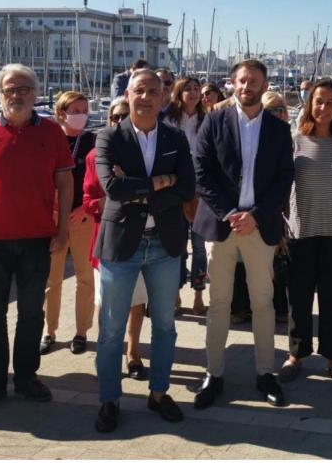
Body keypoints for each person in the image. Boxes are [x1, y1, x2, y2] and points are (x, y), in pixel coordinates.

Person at [0, 63, 74, 412]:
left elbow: (65, 183)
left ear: (35, 94)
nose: (17, 95)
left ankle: (25, 377)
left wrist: (63, 230)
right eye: (10, 89)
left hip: (37, 239)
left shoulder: (52, 133)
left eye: (24, 88)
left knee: (31, 313)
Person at [91, 68, 195, 431]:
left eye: (154, 91)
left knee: (165, 325)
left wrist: (140, 189)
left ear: (163, 97)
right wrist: (162, 181)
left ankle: (159, 393)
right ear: (128, 95)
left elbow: (187, 188)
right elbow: (112, 188)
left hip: (165, 244)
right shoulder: (108, 136)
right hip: (122, 244)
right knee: (111, 329)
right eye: (140, 90)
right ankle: (109, 399)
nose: (147, 97)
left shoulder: (175, 137)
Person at [192, 60, 295, 409]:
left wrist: (255, 216)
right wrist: (229, 212)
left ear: (265, 86)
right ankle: (214, 373)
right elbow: (201, 171)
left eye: (254, 81)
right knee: (219, 302)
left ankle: (265, 373)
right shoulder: (214, 121)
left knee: (262, 302)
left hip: (259, 225)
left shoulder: (278, 129)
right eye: (242, 80)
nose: (247, 86)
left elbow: (284, 178)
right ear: (233, 83)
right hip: (221, 224)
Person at [279, 79, 332, 385]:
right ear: (309, 104)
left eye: (330, 102)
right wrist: (280, 227)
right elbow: (282, 187)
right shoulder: (295, 140)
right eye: (319, 101)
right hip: (301, 232)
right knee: (299, 299)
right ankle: (296, 355)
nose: (324, 107)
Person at [83, 98, 150, 381]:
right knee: (107, 303)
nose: (120, 121)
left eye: (125, 116)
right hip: (108, 241)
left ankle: (133, 353)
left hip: (143, 239)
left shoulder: (148, 153)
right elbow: (88, 201)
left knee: (137, 301)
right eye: (115, 117)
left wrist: (127, 189)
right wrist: (121, 192)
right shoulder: (95, 156)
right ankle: (107, 353)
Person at [41, 91, 97, 356]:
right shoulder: (49, 141)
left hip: (83, 217)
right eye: (75, 111)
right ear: (61, 113)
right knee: (51, 278)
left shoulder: (94, 142)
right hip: (52, 218)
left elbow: (101, 181)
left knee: (85, 277)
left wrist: (86, 208)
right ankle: (48, 331)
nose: (81, 116)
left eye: (84, 111)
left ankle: (81, 332)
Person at [228, 91, 291, 325]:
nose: (277, 114)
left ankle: (279, 308)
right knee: (240, 264)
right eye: (271, 110)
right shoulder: (250, 136)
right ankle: (240, 308)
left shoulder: (289, 136)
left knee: (276, 263)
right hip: (247, 210)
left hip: (278, 210)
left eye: (281, 109)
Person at [164, 77, 208, 315]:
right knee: (178, 246)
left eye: (196, 89)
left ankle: (199, 293)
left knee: (200, 246)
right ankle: (175, 293)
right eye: (188, 89)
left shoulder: (207, 119)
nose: (193, 93)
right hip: (175, 189)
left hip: (201, 190)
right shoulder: (168, 120)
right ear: (179, 93)